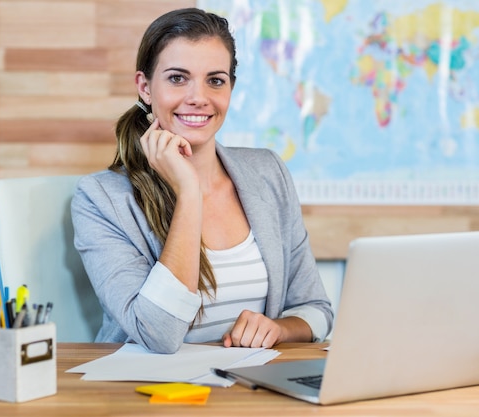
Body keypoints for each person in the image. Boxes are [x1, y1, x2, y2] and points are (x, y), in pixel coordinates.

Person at [71, 7, 333, 354]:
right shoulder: (100, 199)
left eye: (215, 80)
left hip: (251, 392)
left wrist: (279, 329)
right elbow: (157, 335)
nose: (199, 97)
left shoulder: (268, 172)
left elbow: (317, 309)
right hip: (149, 396)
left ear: (230, 88)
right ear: (145, 88)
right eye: (178, 78)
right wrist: (189, 193)